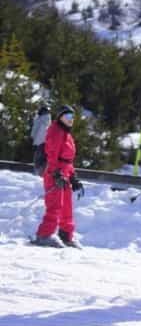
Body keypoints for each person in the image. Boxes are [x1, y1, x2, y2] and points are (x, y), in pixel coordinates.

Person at [32, 105, 84, 248]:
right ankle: (44, 235)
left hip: (65, 172)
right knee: (55, 205)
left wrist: (73, 176)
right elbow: (52, 154)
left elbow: (68, 159)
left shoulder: (67, 133)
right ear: (60, 117)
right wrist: (55, 173)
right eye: (67, 117)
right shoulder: (55, 131)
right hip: (54, 172)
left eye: (73, 117)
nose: (71, 120)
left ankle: (66, 235)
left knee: (67, 206)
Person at [31, 105, 51, 176]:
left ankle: (38, 173)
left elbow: (35, 132)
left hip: (40, 143)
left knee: (39, 159)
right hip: (44, 143)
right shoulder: (46, 120)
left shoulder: (41, 120)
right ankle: (41, 173)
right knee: (42, 159)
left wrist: (34, 140)